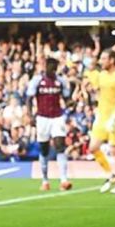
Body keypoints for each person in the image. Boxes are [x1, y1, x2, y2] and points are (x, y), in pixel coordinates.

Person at [84, 49, 115, 195]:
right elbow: (92, 81)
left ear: (112, 60)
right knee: (93, 147)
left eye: (104, 59)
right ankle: (111, 175)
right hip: (102, 118)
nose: (101, 61)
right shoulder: (102, 75)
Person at [27, 58, 71, 191]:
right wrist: (30, 115)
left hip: (57, 116)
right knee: (44, 149)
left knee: (60, 145)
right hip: (42, 118)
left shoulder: (61, 81)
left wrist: (71, 103)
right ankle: (45, 180)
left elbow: (66, 99)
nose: (53, 70)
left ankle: (64, 179)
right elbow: (29, 98)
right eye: (51, 67)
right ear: (45, 67)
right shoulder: (37, 81)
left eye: (54, 68)